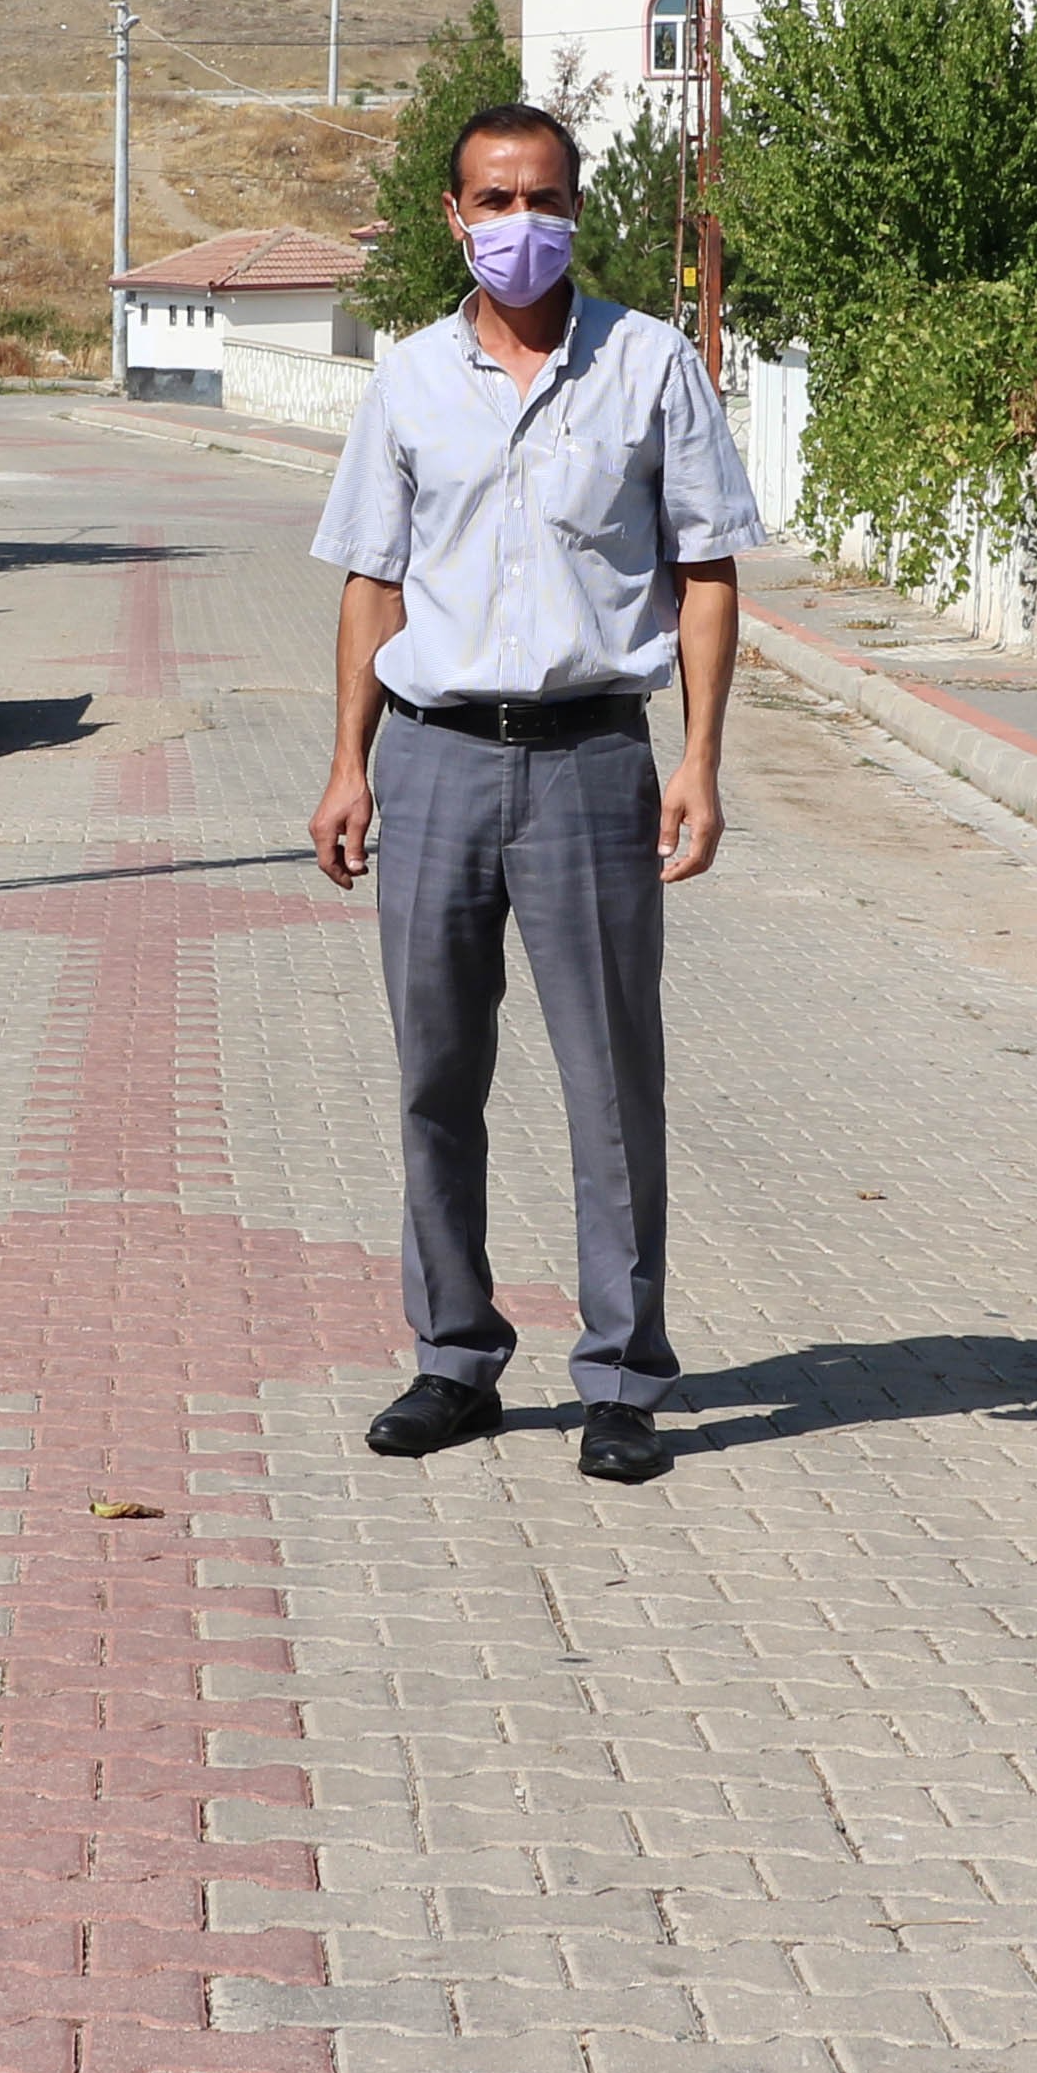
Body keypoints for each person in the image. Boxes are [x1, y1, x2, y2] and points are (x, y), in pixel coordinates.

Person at [305, 100, 768, 1485]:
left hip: (590, 763)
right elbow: (372, 581)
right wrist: (348, 763)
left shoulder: (649, 367)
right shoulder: (407, 384)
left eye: (544, 199)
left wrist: (699, 758)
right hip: (436, 759)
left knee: (612, 1081)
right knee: (437, 1075)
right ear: (453, 216)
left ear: (578, 208)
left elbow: (707, 571)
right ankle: (456, 1357)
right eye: (495, 201)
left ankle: (624, 1376)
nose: (521, 226)